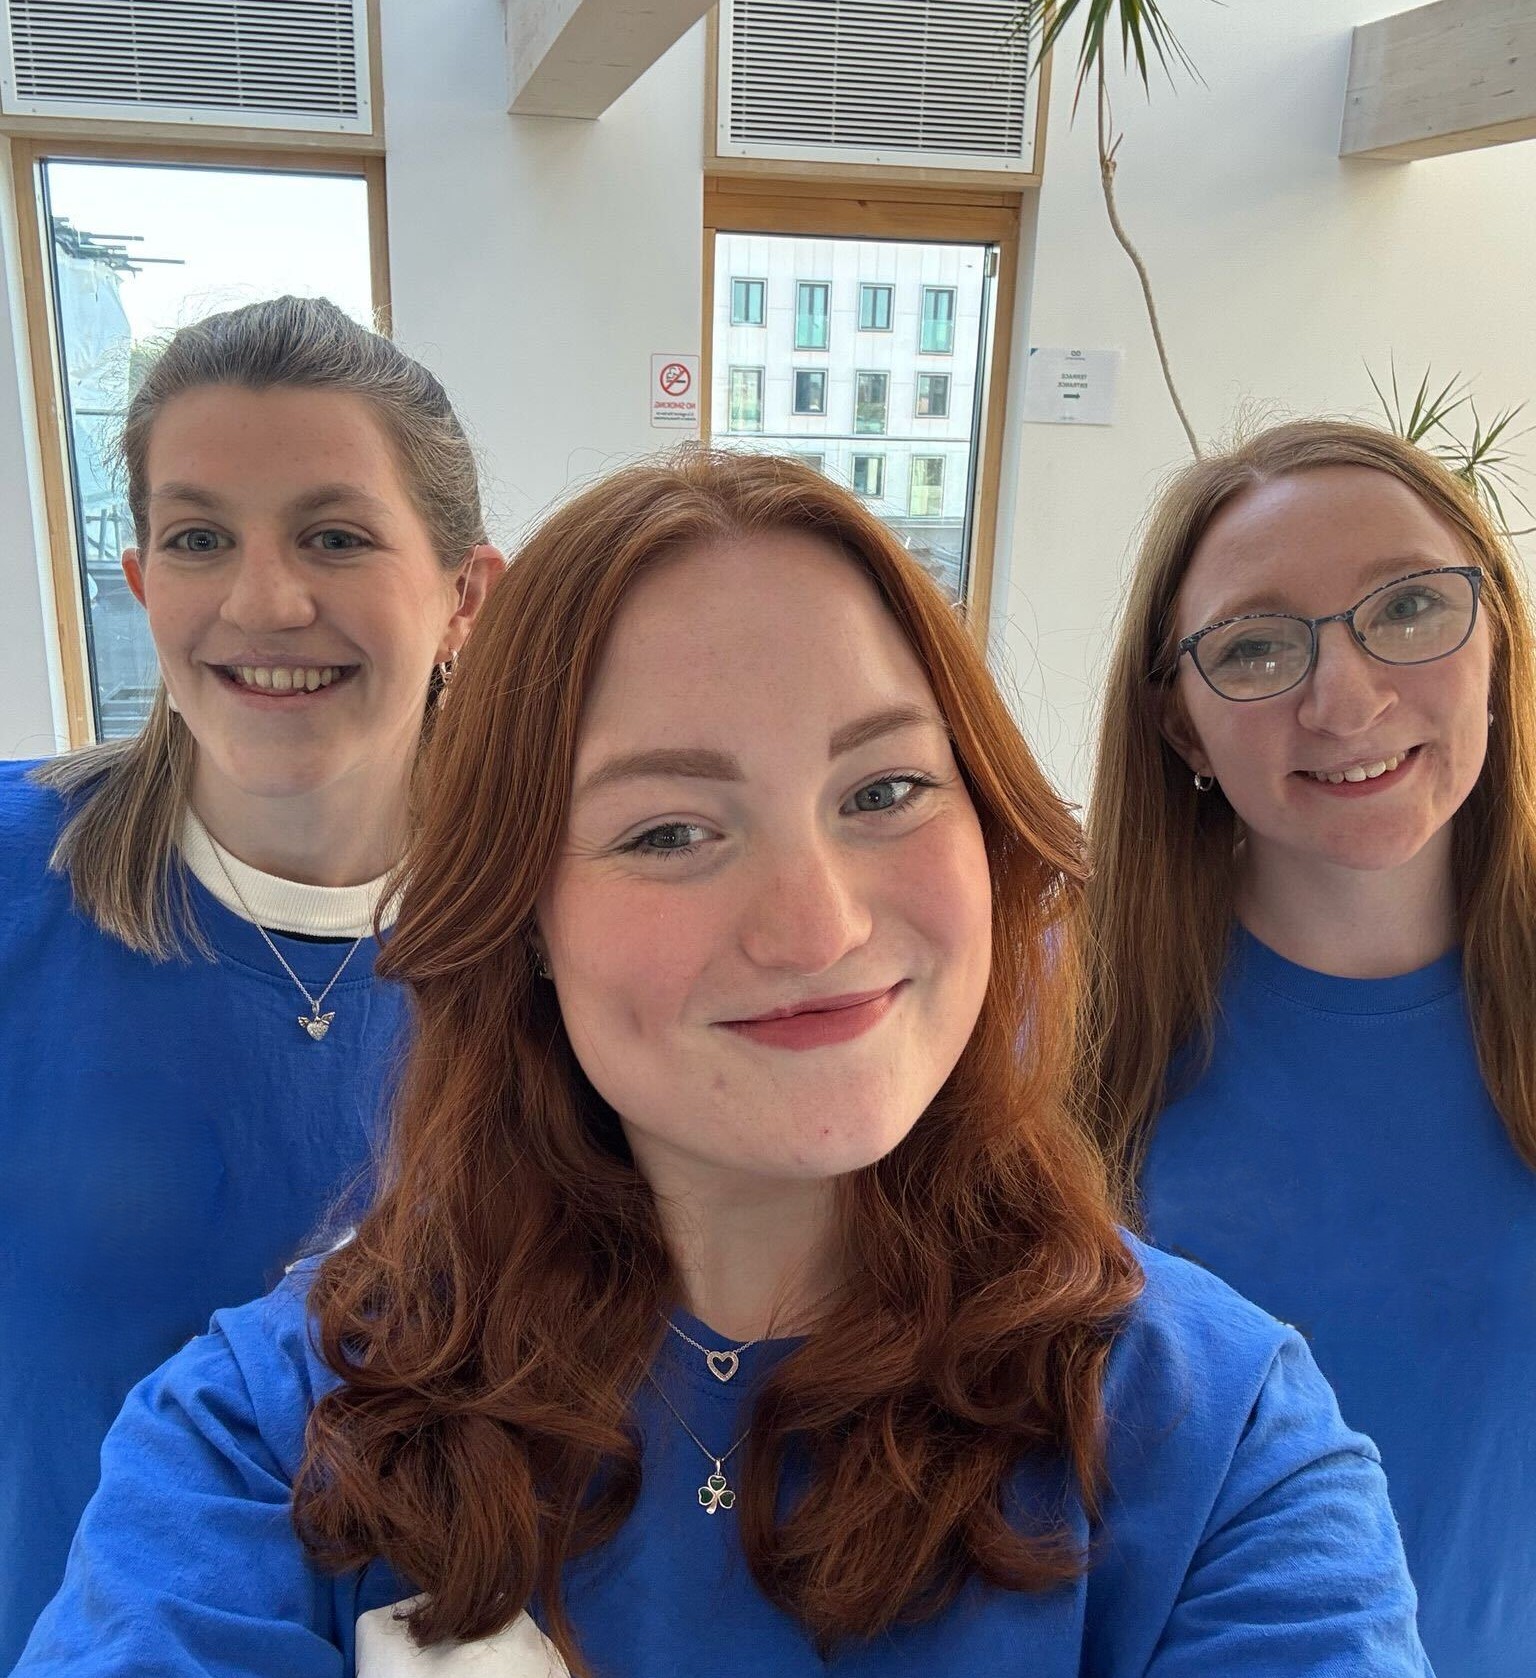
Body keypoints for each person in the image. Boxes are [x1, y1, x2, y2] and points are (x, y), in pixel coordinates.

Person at [17, 451, 1427, 1677]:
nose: (818, 924)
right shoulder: (264, 1436)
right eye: (670, 831)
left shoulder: (1218, 1440)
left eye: (884, 790)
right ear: (524, 918)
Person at [0, 296, 503, 1669]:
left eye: (333, 535)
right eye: (200, 537)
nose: (263, 600)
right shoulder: (12, 882)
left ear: (468, 595)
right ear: (142, 579)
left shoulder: (572, 940)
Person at [1082, 418, 1536, 1678]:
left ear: (1492, 633)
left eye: (1408, 608)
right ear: (1181, 730)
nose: (1346, 697)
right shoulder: (1058, 1030)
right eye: (1258, 646)